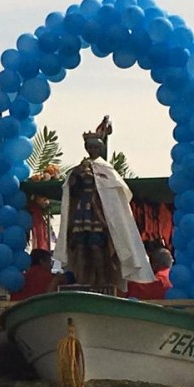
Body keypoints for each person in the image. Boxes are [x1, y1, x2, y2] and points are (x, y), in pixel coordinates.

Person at [53, 118, 153, 291]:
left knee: (98, 247)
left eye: (95, 147)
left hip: (99, 213)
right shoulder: (78, 168)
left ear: (100, 149)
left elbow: (116, 196)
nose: (92, 150)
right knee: (81, 247)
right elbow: (72, 191)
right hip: (81, 211)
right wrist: (76, 176)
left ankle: (101, 279)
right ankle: (83, 279)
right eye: (90, 147)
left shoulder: (107, 170)